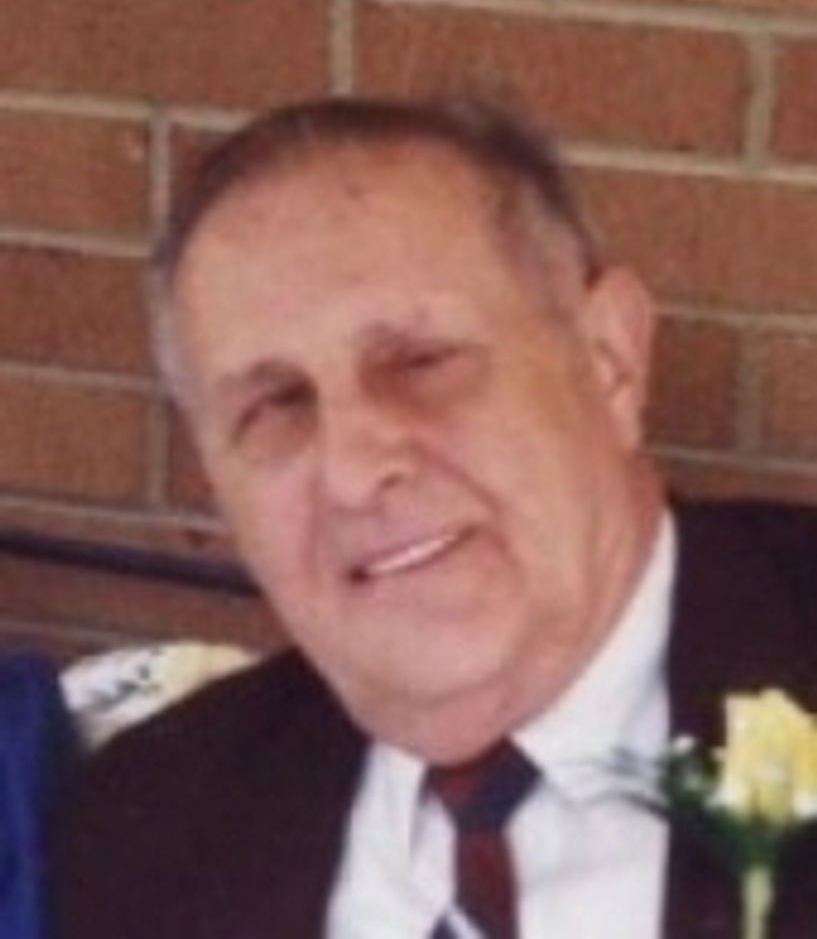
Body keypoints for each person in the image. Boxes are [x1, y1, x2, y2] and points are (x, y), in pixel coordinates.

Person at [52, 97, 817, 938]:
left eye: (420, 362)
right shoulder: (150, 825)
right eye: (275, 406)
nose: (352, 473)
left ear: (610, 363)